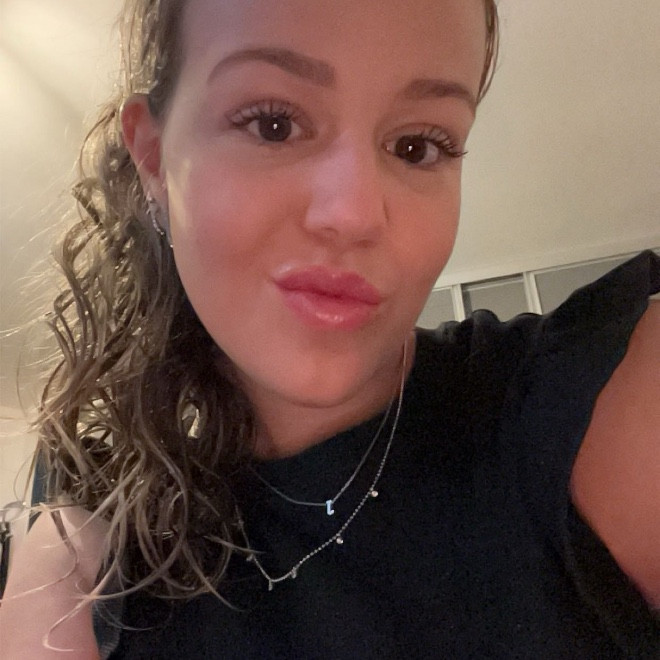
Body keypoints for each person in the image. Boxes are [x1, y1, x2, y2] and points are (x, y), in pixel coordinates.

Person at [0, 0, 658, 657]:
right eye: (273, 124)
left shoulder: (578, 409)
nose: (354, 214)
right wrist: (53, 564)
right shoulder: (111, 555)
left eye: (417, 146)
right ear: (153, 158)